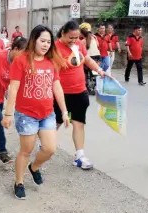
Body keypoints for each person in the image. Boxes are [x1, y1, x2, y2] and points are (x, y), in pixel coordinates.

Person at [1, 25, 69, 200]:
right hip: (26, 115)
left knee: (50, 149)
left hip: (47, 114)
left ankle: (35, 167)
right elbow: (13, 88)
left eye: (48, 41)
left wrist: (64, 111)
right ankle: (19, 182)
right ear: (34, 40)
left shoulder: (51, 61)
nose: (46, 45)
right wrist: (8, 114)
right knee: (26, 150)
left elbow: (57, 87)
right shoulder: (21, 61)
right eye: (42, 41)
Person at [55, 20, 106, 170]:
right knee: (56, 123)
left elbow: (88, 59)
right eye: (71, 37)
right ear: (63, 33)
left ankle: (80, 155)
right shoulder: (54, 48)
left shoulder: (79, 45)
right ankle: (45, 143)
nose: (74, 40)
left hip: (80, 92)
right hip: (62, 94)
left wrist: (99, 70)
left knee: (78, 123)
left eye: (76, 37)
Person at [79, 22, 101, 95]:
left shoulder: (82, 41)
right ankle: (96, 87)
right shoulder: (94, 38)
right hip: (98, 57)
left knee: (85, 72)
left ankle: (87, 87)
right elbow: (98, 46)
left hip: (89, 58)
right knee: (95, 73)